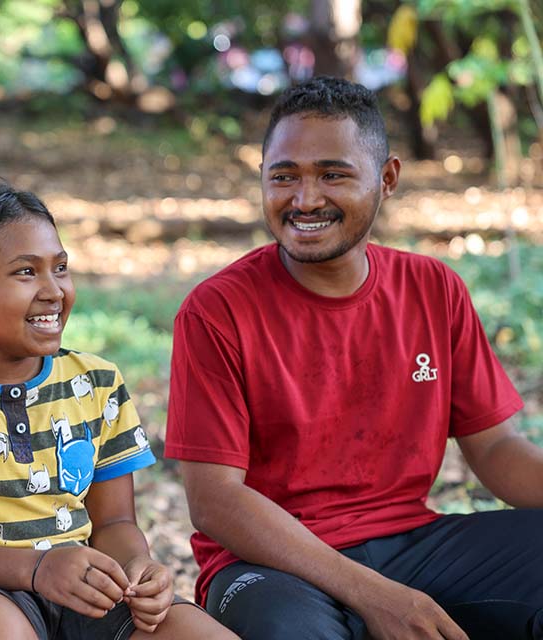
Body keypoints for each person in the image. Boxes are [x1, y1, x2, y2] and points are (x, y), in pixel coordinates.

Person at [165, 75, 543, 640]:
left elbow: (493, 447)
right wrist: (377, 598)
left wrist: (393, 591)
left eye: (333, 174)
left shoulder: (433, 289)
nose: (305, 199)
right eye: (284, 177)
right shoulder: (216, 310)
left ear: (387, 179)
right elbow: (216, 502)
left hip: (412, 541)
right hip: (270, 567)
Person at [0, 181, 236, 640]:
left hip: (82, 581)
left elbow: (115, 522)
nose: (53, 290)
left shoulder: (96, 382)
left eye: (60, 268)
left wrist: (137, 568)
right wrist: (37, 567)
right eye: (26, 272)